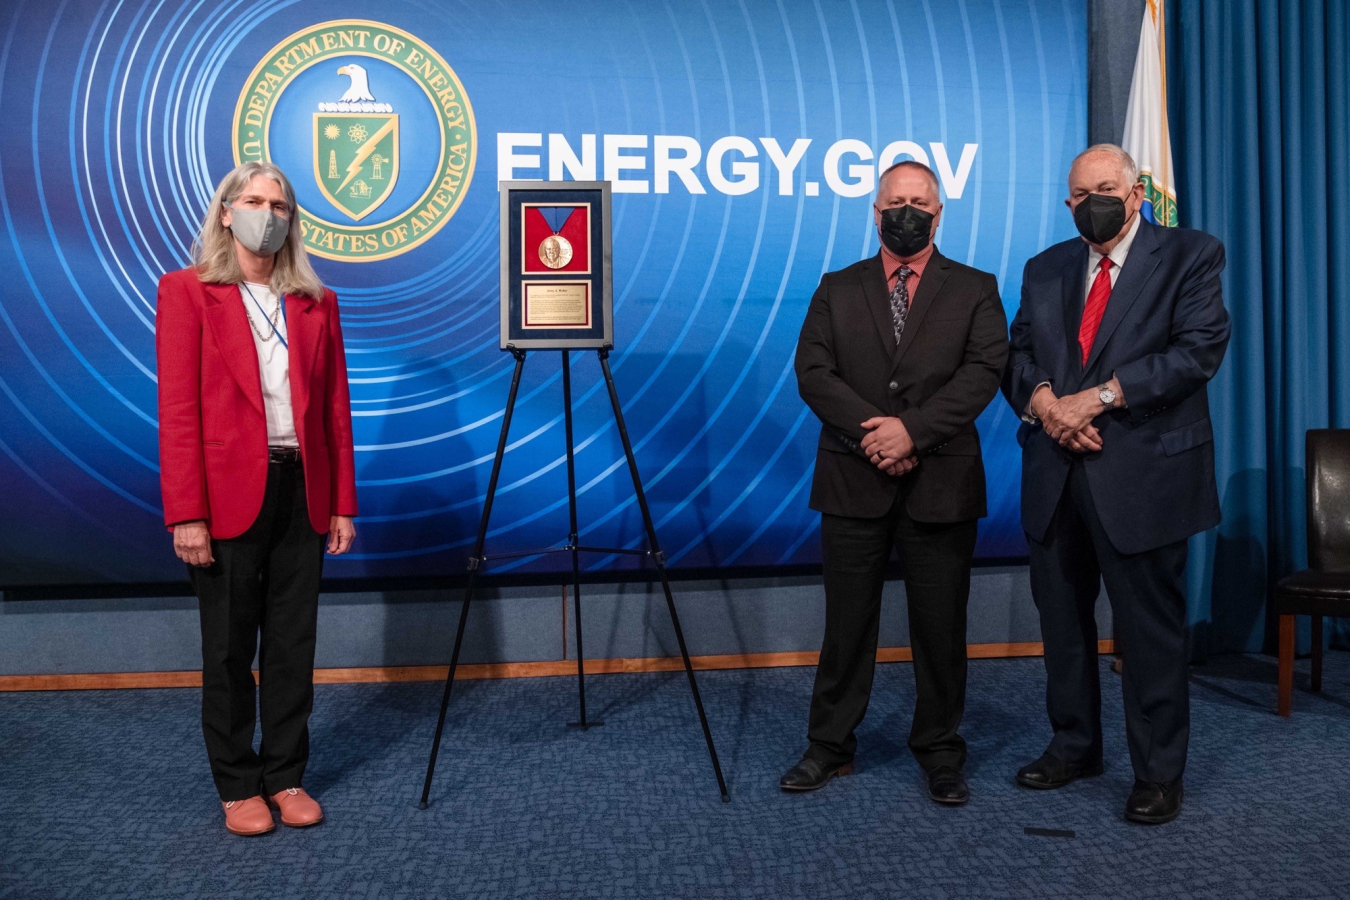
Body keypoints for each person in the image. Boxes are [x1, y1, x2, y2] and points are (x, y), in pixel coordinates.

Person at [1002, 144, 1230, 824]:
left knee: (1149, 631)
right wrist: (1047, 405)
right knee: (1062, 624)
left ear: (1137, 195)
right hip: (1055, 469)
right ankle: (1075, 746)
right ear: (1067, 203)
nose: (1092, 202)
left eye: (1106, 188)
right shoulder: (1045, 269)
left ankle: (1158, 773)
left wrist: (1096, 399)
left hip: (1143, 474)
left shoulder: (1191, 254)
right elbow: (1016, 355)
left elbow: (1196, 352)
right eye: (1080, 193)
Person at [785, 161, 1009, 804]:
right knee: (846, 626)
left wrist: (912, 431)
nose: (906, 211)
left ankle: (940, 750)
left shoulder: (976, 288)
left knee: (940, 628)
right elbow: (814, 372)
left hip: (941, 481)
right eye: (895, 201)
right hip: (853, 478)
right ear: (874, 211)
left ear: (939, 214)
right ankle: (829, 746)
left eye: (919, 202)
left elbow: (983, 372)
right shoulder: (836, 285)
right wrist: (874, 435)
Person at [156, 162, 358, 836]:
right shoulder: (186, 292)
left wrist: (343, 504)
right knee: (228, 647)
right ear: (225, 212)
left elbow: (335, 411)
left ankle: (286, 773)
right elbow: (179, 410)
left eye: (279, 204)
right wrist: (186, 511)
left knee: (293, 643)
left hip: (304, 487)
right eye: (252, 200)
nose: (266, 213)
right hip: (224, 496)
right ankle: (238, 785)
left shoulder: (316, 301)